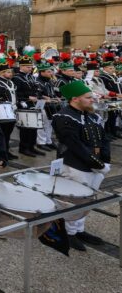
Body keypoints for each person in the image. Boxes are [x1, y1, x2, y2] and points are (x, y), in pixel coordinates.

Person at [52, 80, 110, 251]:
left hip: (95, 165)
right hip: (76, 165)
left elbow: (103, 139)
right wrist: (98, 164)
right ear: (75, 99)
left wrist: (105, 161)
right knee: (73, 201)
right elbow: (75, 145)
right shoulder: (63, 117)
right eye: (88, 97)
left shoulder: (92, 115)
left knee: (87, 200)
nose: (92, 99)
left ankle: (79, 230)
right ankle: (69, 234)